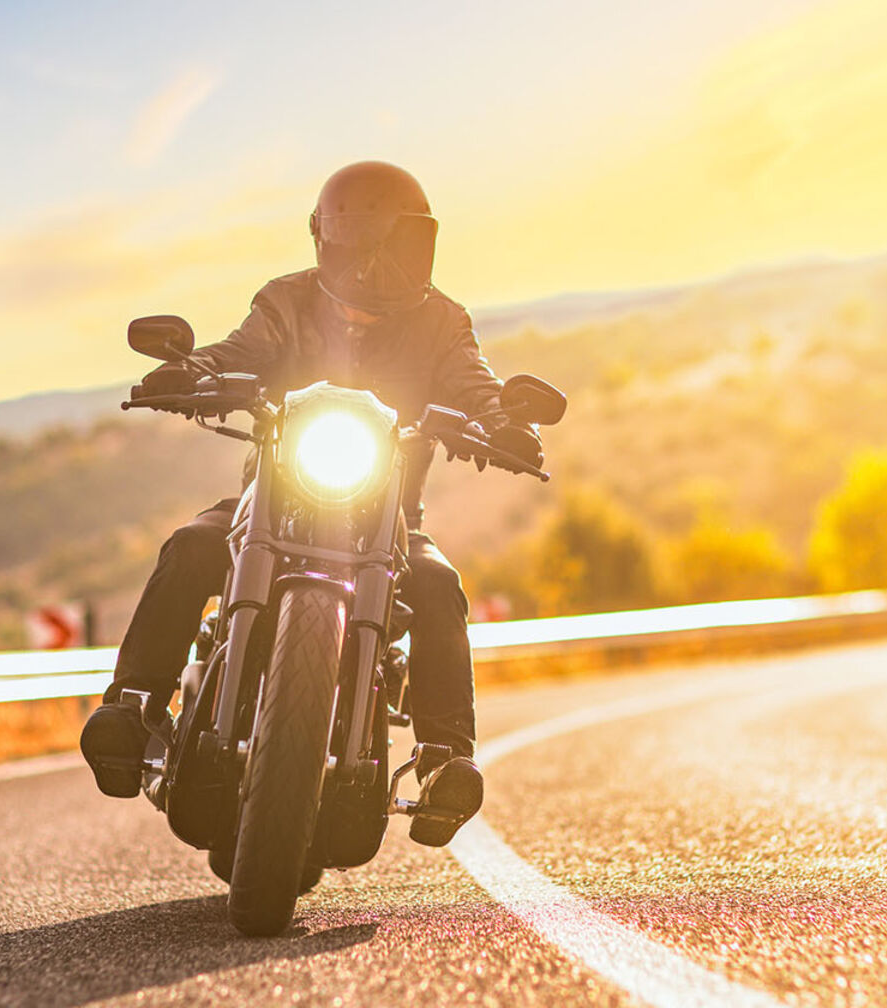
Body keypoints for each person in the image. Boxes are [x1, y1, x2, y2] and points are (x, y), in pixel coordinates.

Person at [79, 161, 542, 847]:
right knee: (191, 546)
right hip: (269, 506)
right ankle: (136, 706)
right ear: (338, 244)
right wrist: (193, 369)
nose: (383, 264)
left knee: (438, 584)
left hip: (386, 522)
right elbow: (242, 349)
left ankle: (445, 759)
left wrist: (503, 418)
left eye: (401, 246)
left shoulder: (443, 322)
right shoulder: (287, 302)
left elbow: (473, 380)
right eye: (375, 246)